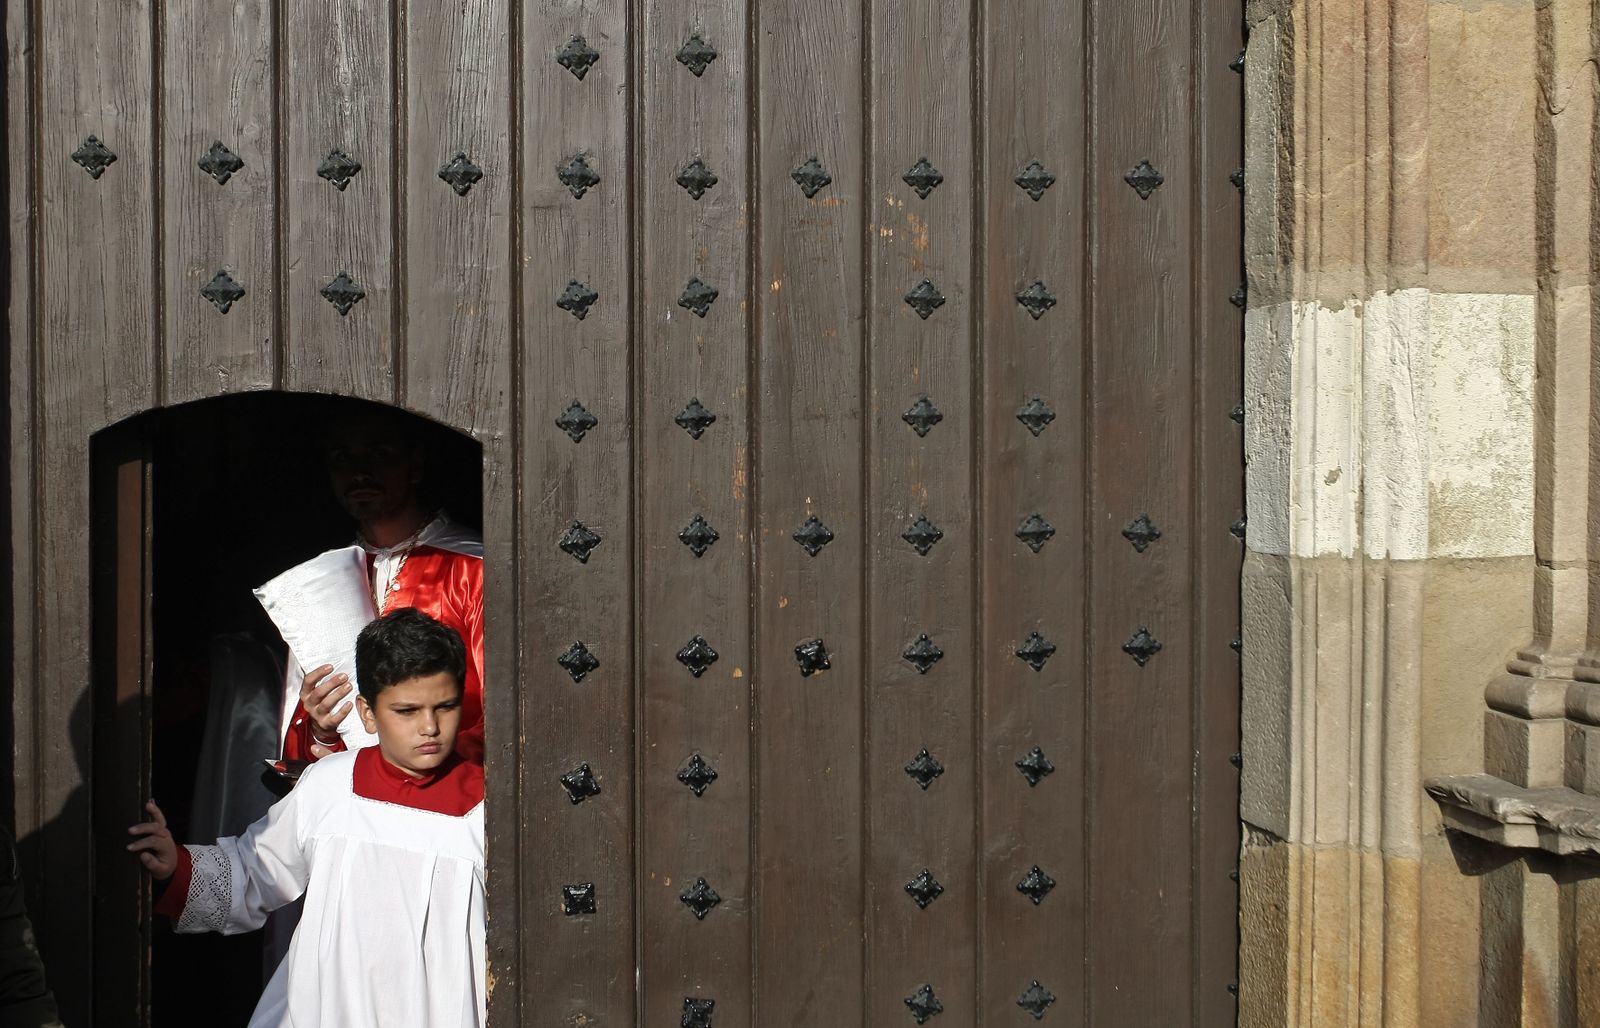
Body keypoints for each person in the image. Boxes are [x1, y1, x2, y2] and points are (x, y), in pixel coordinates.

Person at [128, 609, 486, 1028]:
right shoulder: (330, 786)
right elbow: (256, 870)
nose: (429, 727)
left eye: (444, 707)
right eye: (407, 711)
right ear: (367, 713)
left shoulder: (486, 806)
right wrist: (177, 867)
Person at [271, 406, 485, 765]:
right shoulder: (322, 583)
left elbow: (511, 719)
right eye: (343, 457)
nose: (360, 472)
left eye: (379, 453)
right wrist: (321, 728)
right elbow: (306, 744)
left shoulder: (473, 568)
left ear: (414, 465)